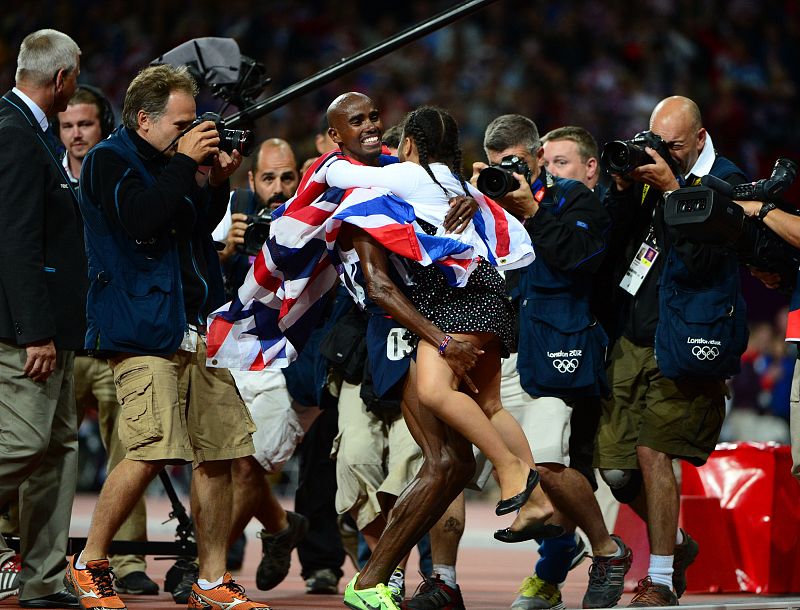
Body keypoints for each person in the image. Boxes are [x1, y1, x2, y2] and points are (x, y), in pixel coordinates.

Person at [320, 101, 559, 610]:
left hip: (452, 306)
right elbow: (517, 245)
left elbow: (340, 178)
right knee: (489, 406)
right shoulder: (461, 187)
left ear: (408, 146)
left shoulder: (398, 177)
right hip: (492, 294)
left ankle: (515, 477)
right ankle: (535, 497)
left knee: (433, 391)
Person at [63, 64, 266, 610]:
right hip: (140, 330)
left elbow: (196, 224)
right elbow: (141, 221)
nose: (188, 132)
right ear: (143, 119)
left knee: (220, 452)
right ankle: (90, 563)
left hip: (195, 324)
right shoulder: (109, 160)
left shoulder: (169, 161)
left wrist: (215, 181)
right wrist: (184, 163)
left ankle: (210, 579)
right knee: (151, 448)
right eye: (179, 123)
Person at [465, 115, 631, 610]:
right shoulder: (482, 205)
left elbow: (582, 259)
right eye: (496, 167)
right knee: (512, 477)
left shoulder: (573, 199)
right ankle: (559, 552)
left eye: (514, 163)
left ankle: (605, 551)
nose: (505, 175)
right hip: (498, 353)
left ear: (537, 158)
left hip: (554, 350)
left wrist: (532, 210)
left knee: (549, 467)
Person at [595, 95, 747, 607]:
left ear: (700, 138)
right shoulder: (645, 173)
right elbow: (613, 251)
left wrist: (673, 189)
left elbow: (706, 259)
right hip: (633, 336)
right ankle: (678, 547)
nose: (666, 151)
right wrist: (620, 190)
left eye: (676, 145)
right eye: (660, 140)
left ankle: (657, 579)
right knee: (616, 470)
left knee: (653, 451)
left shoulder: (726, 180)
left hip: (685, 338)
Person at [56, 84, 161, 596]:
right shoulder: (48, 178)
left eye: (86, 125)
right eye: (68, 126)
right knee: (45, 452)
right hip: (59, 343)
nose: (77, 135)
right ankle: (40, 556)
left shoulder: (121, 174)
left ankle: (126, 560)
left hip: (113, 338)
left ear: (105, 126)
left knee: (132, 447)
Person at [0, 29, 86, 609]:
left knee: (57, 450)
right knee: (25, 444)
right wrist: (36, 332)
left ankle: (44, 579)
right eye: (76, 74)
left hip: (53, 330)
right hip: (27, 334)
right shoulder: (14, 136)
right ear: (61, 79)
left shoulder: (29, 132)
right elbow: (16, 242)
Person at [211, 137, 314, 591]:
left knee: (250, 466)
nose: (278, 186)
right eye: (268, 177)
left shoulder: (315, 215)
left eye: (287, 177)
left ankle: (204, 569)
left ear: (299, 177)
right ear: (251, 181)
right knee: (230, 465)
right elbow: (202, 286)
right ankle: (281, 527)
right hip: (234, 355)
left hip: (289, 359)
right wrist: (227, 252)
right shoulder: (225, 214)